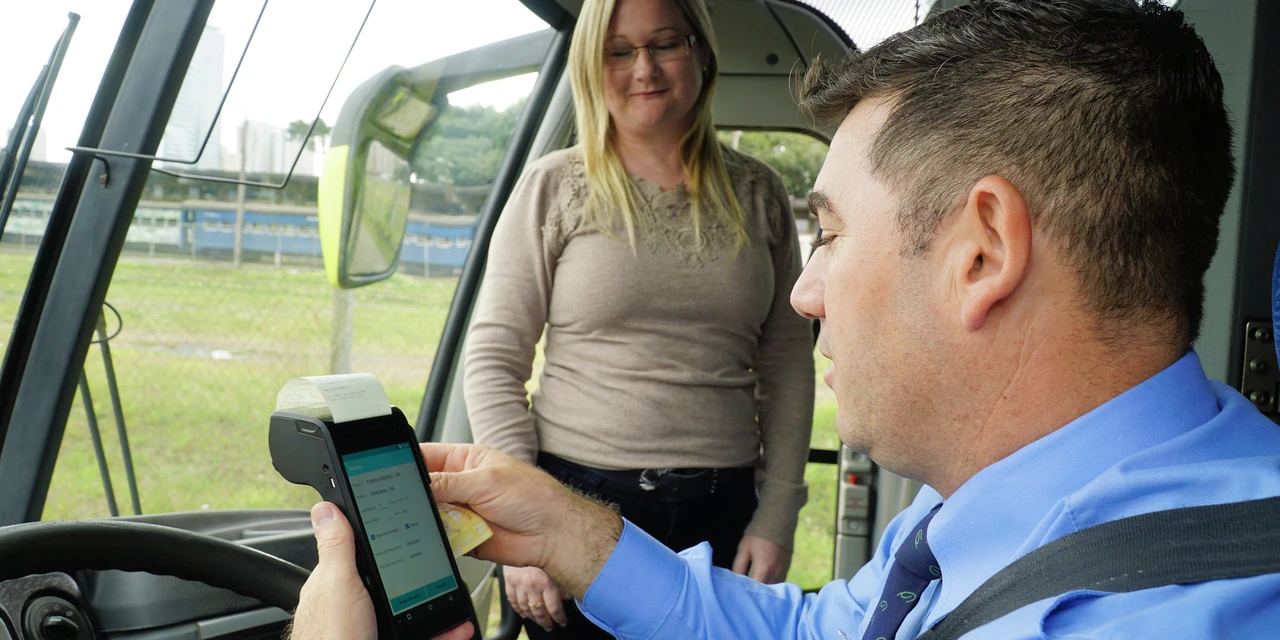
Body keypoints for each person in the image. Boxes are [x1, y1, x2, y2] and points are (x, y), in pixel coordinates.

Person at [289, 1, 1280, 638]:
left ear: (982, 253)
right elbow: (806, 633)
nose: (806, 294)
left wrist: (769, 514)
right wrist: (571, 531)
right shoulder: (951, 521)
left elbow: (781, 362)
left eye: (832, 233)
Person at [461, 0, 813, 635]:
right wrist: (520, 519)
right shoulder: (552, 186)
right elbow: (493, 360)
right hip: (576, 504)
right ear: (591, 68)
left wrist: (777, 516)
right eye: (619, 52)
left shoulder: (760, 194)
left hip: (723, 512)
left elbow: (788, 367)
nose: (644, 68)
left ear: (701, 52)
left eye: (665, 44)